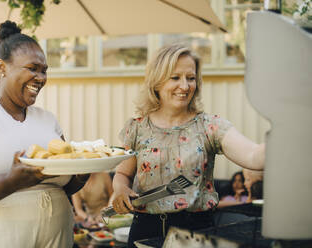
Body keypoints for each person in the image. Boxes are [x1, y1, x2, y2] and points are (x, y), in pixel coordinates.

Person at [0, 21, 89, 248]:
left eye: (44, 70)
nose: (41, 78)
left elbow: (64, 185)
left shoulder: (47, 119)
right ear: (2, 68)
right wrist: (10, 181)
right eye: (32, 68)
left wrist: (81, 174)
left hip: (57, 236)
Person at [111, 44, 265, 247]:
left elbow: (254, 156)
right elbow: (123, 175)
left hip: (195, 233)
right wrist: (120, 189)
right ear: (157, 81)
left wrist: (289, 131)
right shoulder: (137, 128)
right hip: (145, 229)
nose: (184, 86)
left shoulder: (210, 126)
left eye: (190, 78)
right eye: (175, 78)